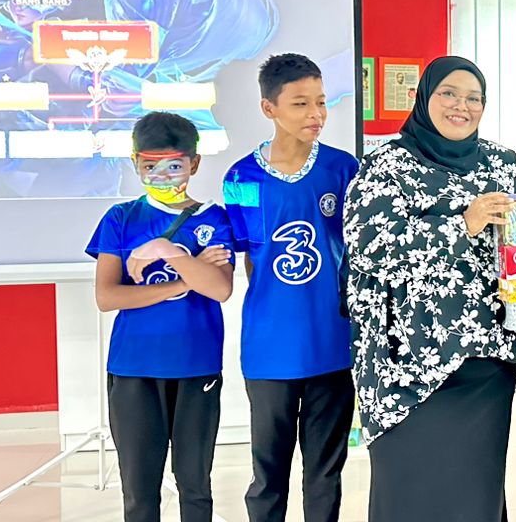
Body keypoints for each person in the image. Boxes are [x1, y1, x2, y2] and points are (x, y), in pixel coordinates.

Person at [343, 56, 516, 522]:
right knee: (410, 492)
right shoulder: (386, 165)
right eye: (449, 93)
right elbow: (370, 249)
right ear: (423, 97)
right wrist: (462, 224)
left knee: (474, 493)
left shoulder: (503, 164)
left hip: (487, 360)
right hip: (405, 366)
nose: (461, 106)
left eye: (474, 98)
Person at [222, 54, 359, 522]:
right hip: (269, 347)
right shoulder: (241, 177)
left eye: (321, 102)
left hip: (332, 342)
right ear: (269, 108)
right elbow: (249, 258)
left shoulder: (343, 170)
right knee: (269, 473)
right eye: (301, 103)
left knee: (325, 473)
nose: (316, 114)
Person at [86, 111, 236, 522]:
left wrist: (165, 250)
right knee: (139, 491)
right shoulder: (121, 219)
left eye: (174, 166)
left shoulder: (213, 219)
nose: (161, 176)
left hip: (196, 366)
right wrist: (185, 279)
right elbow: (108, 296)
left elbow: (220, 289)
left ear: (194, 163)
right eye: (150, 166)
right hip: (134, 369)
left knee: (195, 487)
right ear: (135, 162)